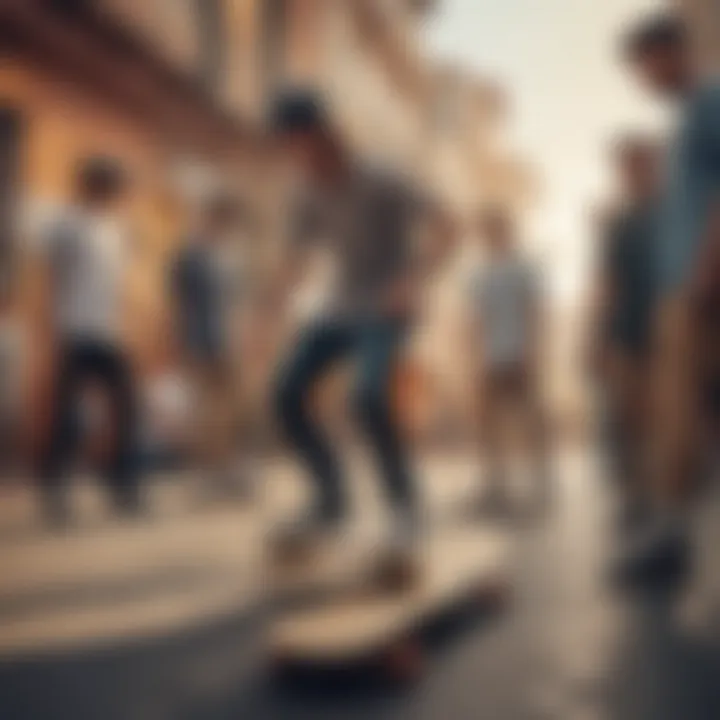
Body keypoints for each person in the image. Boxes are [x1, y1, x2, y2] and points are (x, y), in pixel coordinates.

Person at [270, 90, 455, 559]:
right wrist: (266, 310)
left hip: (386, 307)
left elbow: (449, 225)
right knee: (286, 393)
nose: (299, 155)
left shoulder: (382, 176)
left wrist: (413, 280)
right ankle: (330, 501)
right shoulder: (304, 190)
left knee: (368, 398)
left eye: (303, 142)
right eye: (290, 147)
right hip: (338, 307)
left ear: (326, 133)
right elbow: (295, 257)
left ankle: (404, 511)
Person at [619, 11, 720, 578]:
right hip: (680, 281)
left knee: (677, 411)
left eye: (643, 64)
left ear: (669, 52)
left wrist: (707, 269)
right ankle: (672, 530)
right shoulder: (684, 118)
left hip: (697, 282)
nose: (642, 78)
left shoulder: (710, 99)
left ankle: (670, 539)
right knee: (695, 413)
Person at [39, 156, 140, 526]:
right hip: (76, 328)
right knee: (69, 414)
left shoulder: (116, 228)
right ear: (92, 185)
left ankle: (123, 486)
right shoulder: (68, 225)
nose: (113, 194)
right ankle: (57, 491)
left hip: (110, 331)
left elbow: (121, 284)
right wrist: (51, 326)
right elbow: (52, 276)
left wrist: (127, 321)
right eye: (108, 187)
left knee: (127, 408)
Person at [592, 137, 662, 530]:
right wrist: (598, 338)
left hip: (667, 331)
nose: (634, 174)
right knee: (625, 417)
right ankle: (636, 496)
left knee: (665, 420)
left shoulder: (676, 216)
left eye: (642, 165)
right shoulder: (618, 224)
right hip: (626, 332)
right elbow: (608, 282)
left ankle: (664, 500)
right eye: (627, 167)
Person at [467, 207, 549, 516]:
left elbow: (534, 310)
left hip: (518, 352)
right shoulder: (480, 273)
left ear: (507, 231)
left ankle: (541, 480)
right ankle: (495, 485)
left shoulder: (523, 267)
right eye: (486, 231)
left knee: (530, 417)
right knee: (487, 422)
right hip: (489, 357)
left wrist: (533, 349)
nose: (491, 236)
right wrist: (474, 357)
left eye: (496, 229)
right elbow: (476, 318)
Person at [171, 194, 249, 502]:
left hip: (227, 341)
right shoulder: (191, 255)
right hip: (200, 340)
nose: (224, 228)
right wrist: (182, 341)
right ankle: (204, 474)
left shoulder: (227, 257)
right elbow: (180, 303)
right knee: (205, 410)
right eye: (220, 221)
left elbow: (232, 302)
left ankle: (224, 470)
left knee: (228, 409)